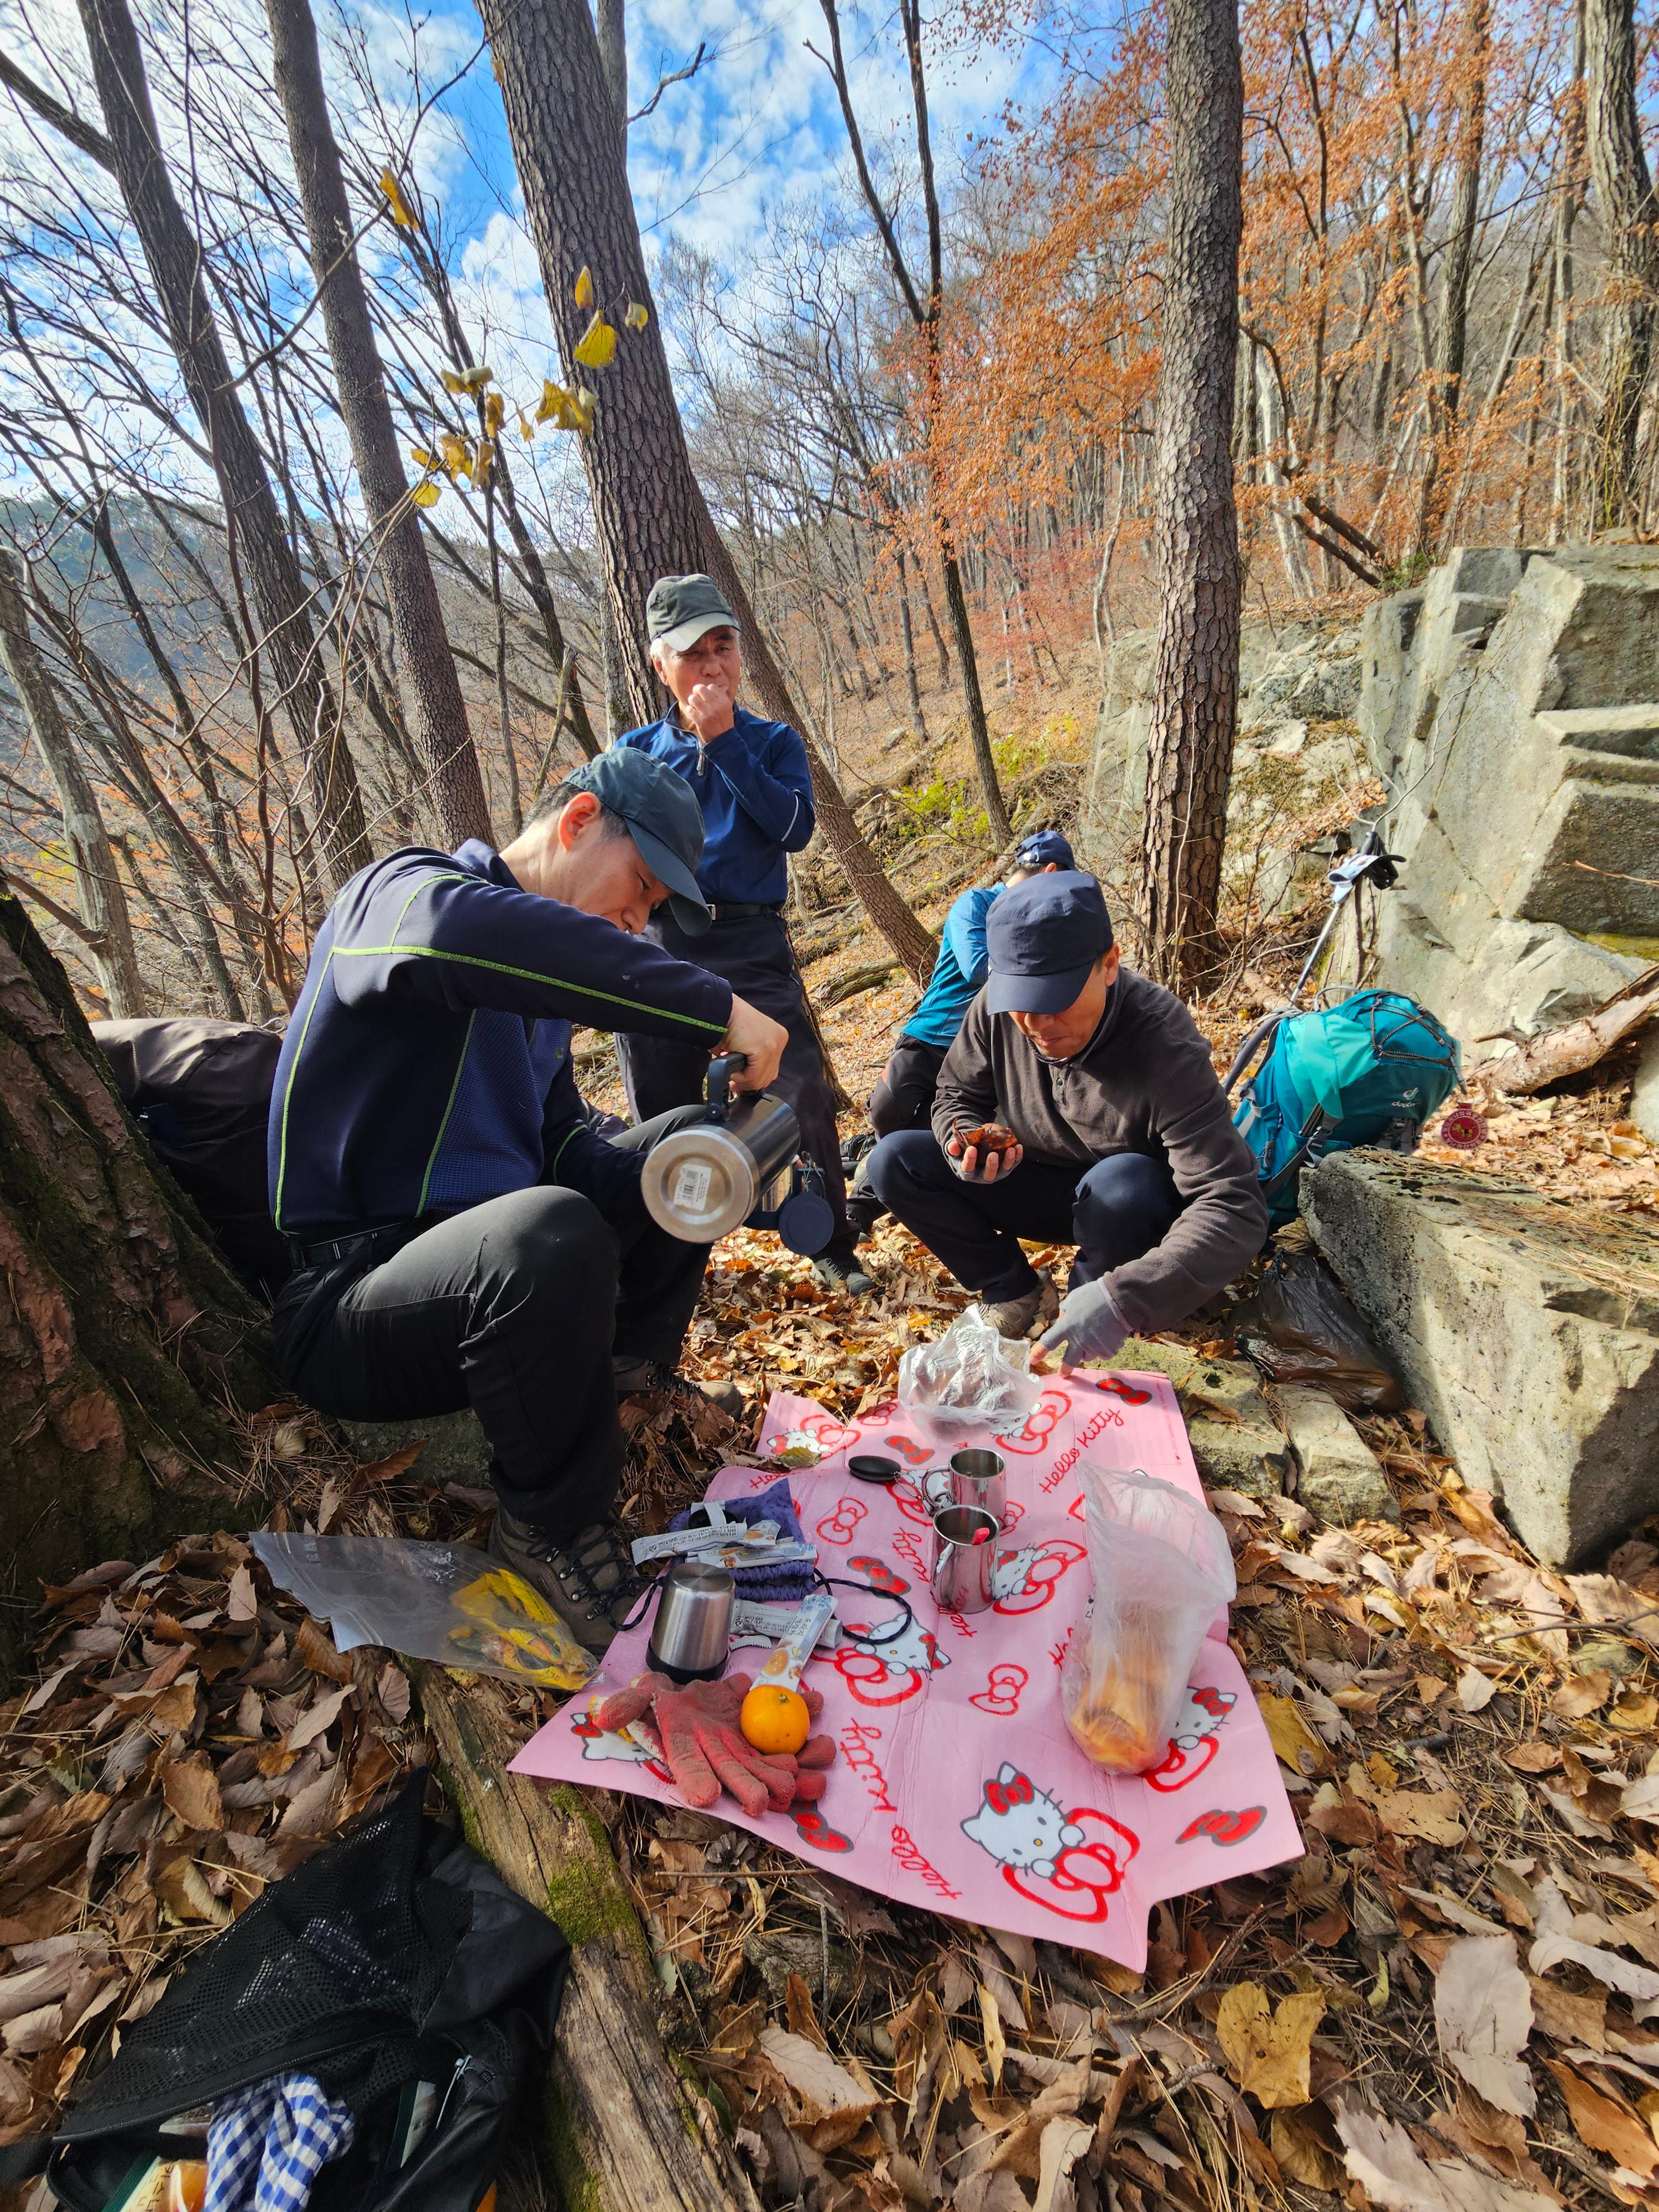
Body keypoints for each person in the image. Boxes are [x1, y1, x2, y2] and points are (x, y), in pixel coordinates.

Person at [267, 749, 789, 1653]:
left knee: (680, 1148)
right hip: (354, 1302)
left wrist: (701, 1171)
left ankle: (631, 1381)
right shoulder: (399, 896)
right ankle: (552, 1525)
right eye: (640, 887)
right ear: (578, 821)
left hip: (491, 1290)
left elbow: (564, 1149)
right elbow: (464, 936)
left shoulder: (542, 1006)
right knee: (547, 1231)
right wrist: (711, 1004)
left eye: (655, 912)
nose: (637, 923)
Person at [863, 871, 1268, 1358]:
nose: (1037, 1024)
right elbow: (955, 1091)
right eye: (1021, 1002)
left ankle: (1087, 1299)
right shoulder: (995, 1007)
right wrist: (964, 1138)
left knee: (1124, 1185)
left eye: (1056, 999)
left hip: (1128, 1207)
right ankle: (1011, 1288)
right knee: (893, 1160)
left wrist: (1126, 1298)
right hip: (1032, 1180)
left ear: (1109, 964)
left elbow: (1233, 1203)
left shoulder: (1164, 1043)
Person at [613, 573, 873, 1297]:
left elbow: (794, 830)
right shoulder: (635, 754)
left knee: (802, 1091)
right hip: (662, 944)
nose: (712, 666)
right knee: (660, 1105)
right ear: (660, 664)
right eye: (693, 653)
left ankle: (830, 1242)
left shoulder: (772, 741)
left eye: (723, 647)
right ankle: (668, 1266)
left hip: (751, 944)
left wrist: (725, 743)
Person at [847, 828, 1075, 1240]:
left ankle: (859, 1209)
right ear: (1051, 873)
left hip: (982, 1054)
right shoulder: (976, 903)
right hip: (931, 1035)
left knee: (936, 1132)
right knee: (886, 1111)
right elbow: (977, 968)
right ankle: (871, 1160)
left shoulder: (1039, 927)